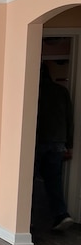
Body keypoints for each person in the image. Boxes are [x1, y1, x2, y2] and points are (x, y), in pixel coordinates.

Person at [34, 62, 74, 231]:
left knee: (32, 180)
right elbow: (69, 119)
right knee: (54, 181)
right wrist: (68, 145)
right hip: (58, 141)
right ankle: (61, 215)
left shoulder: (34, 91)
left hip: (38, 139)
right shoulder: (61, 91)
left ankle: (27, 218)